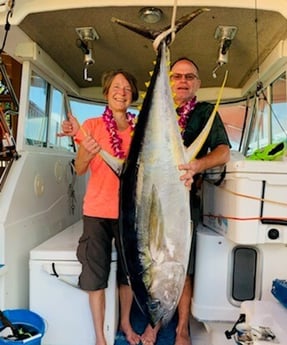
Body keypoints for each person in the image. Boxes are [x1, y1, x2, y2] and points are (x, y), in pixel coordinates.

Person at [140, 58, 231, 345]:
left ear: (198, 83)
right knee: (145, 254)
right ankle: (154, 323)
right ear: (168, 81)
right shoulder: (152, 113)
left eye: (189, 76)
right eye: (177, 76)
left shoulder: (204, 113)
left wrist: (196, 166)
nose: (183, 81)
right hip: (149, 198)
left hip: (182, 198)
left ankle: (181, 328)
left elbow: (223, 152)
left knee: (183, 263)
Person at [59, 69, 142, 345]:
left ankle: (126, 325)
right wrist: (85, 150)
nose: (122, 91)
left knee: (129, 274)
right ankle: (100, 337)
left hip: (131, 213)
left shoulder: (140, 129)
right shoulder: (91, 127)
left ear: (133, 96)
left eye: (128, 88)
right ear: (107, 93)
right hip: (96, 212)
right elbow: (80, 169)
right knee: (96, 276)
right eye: (116, 87)